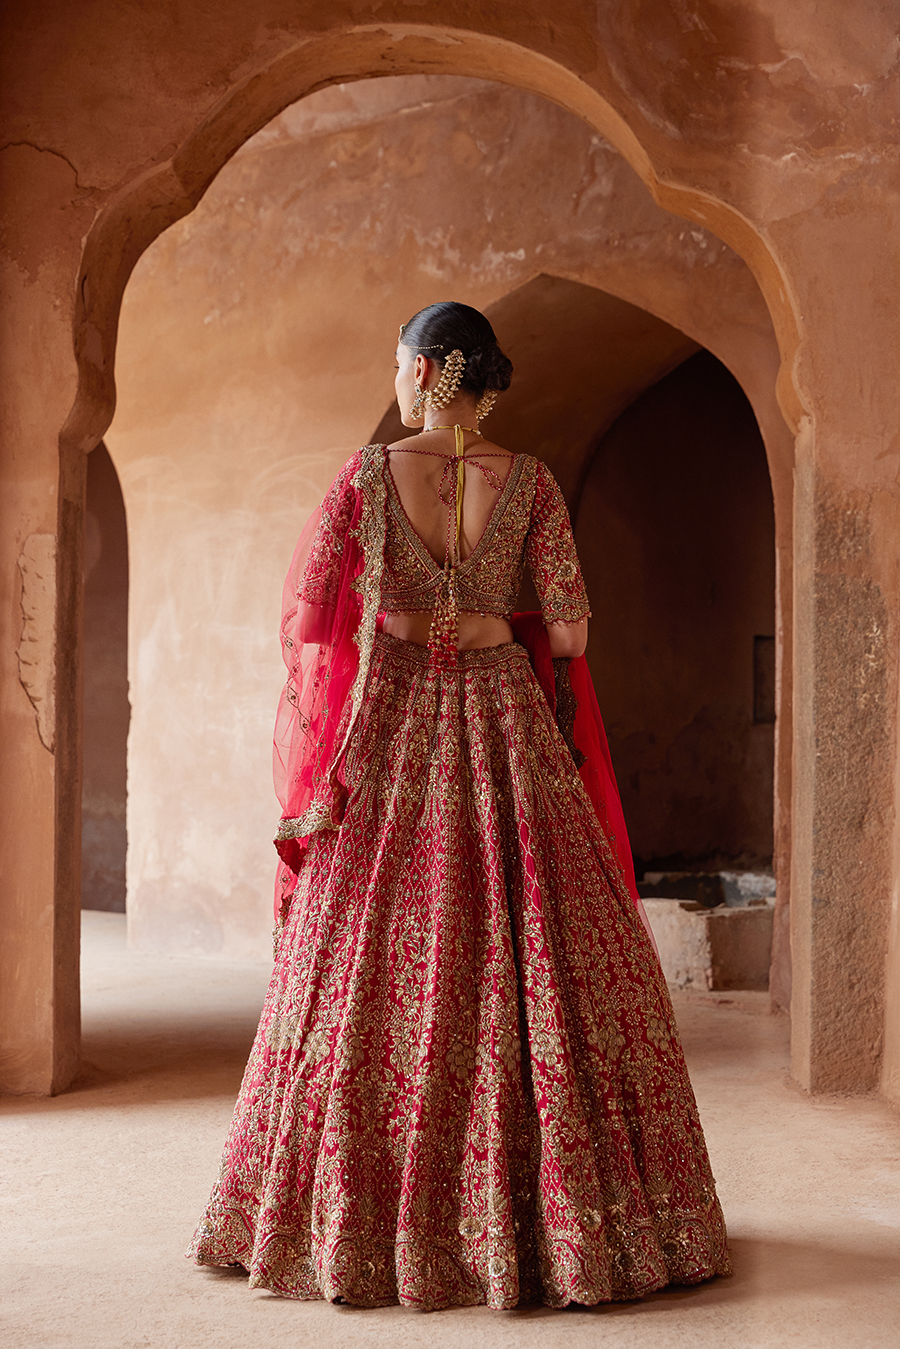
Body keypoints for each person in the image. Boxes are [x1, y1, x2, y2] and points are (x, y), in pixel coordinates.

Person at [187, 301, 730, 1310]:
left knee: (365, 959)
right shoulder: (531, 483)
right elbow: (568, 636)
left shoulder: (363, 478)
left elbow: (308, 617)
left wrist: (386, 627)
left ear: (431, 367)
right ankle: (566, 1227)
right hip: (508, 726)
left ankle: (351, 1225)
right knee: (538, 948)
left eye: (399, 363)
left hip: (391, 723)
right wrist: (491, 624)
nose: (395, 381)